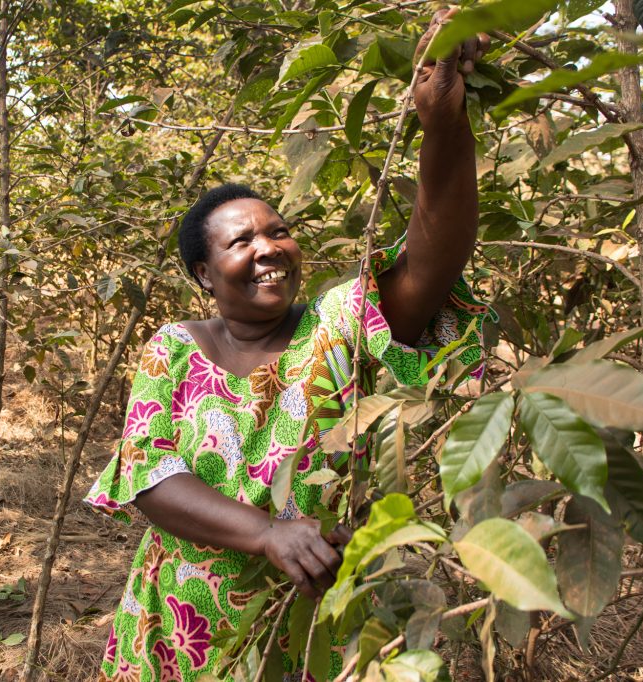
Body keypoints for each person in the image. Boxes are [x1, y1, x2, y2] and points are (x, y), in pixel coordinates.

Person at [85, 12, 493, 681]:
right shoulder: (174, 349)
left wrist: (441, 124)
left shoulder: (337, 324)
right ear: (204, 274)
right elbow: (149, 478)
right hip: (175, 629)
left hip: (304, 629)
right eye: (240, 242)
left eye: (278, 231)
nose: (268, 248)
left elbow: (431, 262)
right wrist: (268, 533)